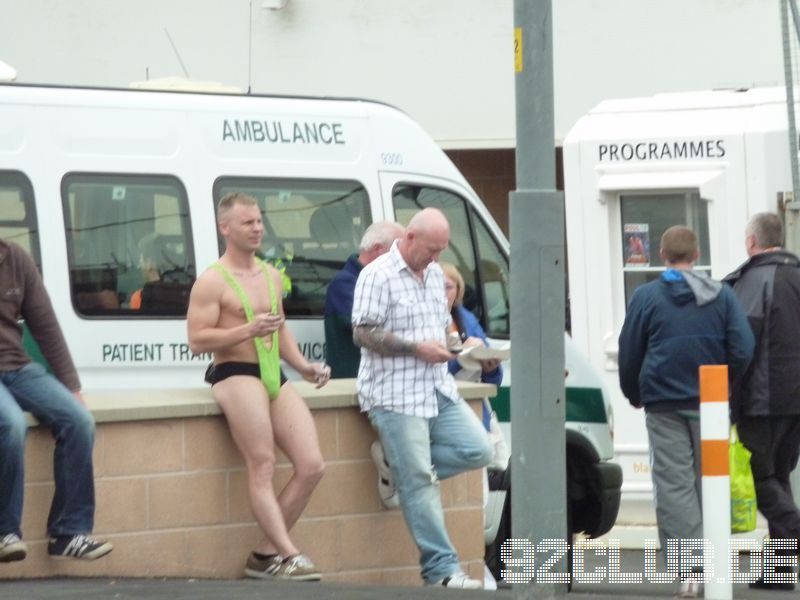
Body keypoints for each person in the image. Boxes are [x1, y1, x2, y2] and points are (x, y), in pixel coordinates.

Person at [186, 192, 330, 582]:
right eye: (248, 222)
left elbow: (279, 326)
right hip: (234, 372)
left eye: (259, 221)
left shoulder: (269, 273)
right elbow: (197, 340)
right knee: (263, 464)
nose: (257, 228)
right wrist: (245, 330)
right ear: (225, 228)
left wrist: (304, 366)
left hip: (271, 372)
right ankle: (290, 553)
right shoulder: (212, 281)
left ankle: (265, 556)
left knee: (312, 465)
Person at [352, 207, 493, 590]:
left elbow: (439, 326)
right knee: (420, 482)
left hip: (436, 387)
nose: (436, 258)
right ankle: (442, 571)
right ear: (409, 238)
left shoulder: (433, 275)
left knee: (480, 449)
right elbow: (363, 333)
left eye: (442, 250)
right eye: (431, 249)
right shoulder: (376, 274)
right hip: (394, 392)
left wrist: (465, 347)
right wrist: (417, 349)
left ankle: (400, 475)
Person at [617, 225, 753, 599]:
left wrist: (633, 392)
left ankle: (691, 568)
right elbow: (743, 347)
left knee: (674, 485)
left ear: (662, 255)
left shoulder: (646, 296)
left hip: (664, 403)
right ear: (696, 256)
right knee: (707, 483)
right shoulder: (722, 296)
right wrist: (725, 385)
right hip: (710, 405)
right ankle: (714, 567)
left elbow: (629, 350)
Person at [0, 240, 113, 563]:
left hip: (17, 367)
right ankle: (5, 532)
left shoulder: (15, 258)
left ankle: (69, 532)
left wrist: (72, 387)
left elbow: (45, 325)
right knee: (10, 424)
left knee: (78, 420)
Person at [724, 212, 800, 590]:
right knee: (780, 474)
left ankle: (793, 531)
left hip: (762, 395)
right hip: (795, 399)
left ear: (752, 242)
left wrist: (726, 388)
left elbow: (741, 342)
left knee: (761, 473)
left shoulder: (755, 278)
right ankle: (780, 572)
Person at [323, 221, 404, 378]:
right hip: (354, 379)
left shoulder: (385, 280)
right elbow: (372, 328)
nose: (402, 258)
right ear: (377, 248)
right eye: (397, 250)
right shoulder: (345, 283)